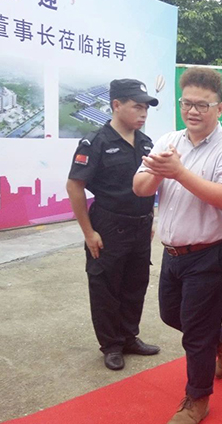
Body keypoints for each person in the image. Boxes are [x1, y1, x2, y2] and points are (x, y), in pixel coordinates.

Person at [132, 67, 222, 424]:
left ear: (220, 108)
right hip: (174, 252)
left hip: (213, 252)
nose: (193, 111)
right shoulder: (169, 141)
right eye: (187, 103)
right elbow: (140, 188)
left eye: (202, 105)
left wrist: (179, 173)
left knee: (195, 332)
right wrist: (161, 170)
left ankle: (197, 399)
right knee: (172, 315)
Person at [66, 79, 160, 371]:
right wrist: (88, 232)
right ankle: (111, 345)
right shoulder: (96, 142)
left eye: (146, 108)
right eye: (137, 107)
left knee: (135, 284)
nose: (143, 113)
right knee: (106, 287)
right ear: (116, 105)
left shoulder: (145, 142)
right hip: (108, 226)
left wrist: (151, 217)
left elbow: (150, 184)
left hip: (140, 226)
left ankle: (129, 337)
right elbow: (74, 186)